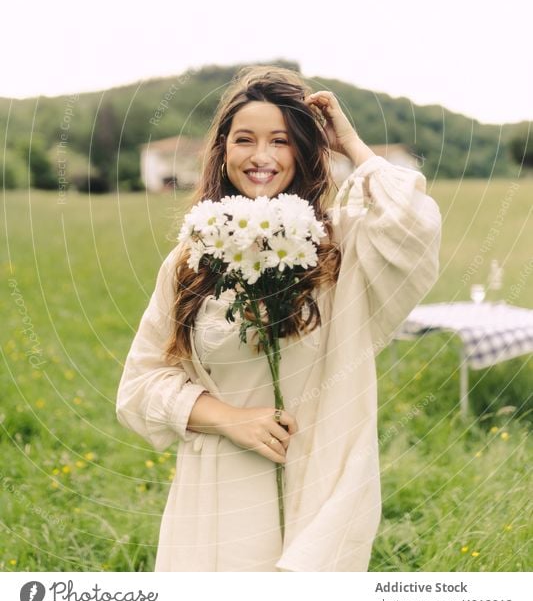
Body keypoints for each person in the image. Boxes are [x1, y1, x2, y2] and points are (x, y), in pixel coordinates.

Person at [116, 65, 442, 572]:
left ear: (306, 151)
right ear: (223, 150)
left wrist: (349, 143)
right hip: (218, 502)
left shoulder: (341, 245)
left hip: (318, 492)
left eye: (282, 141)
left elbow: (412, 223)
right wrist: (231, 420)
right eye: (244, 139)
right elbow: (140, 384)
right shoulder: (192, 257)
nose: (261, 157)